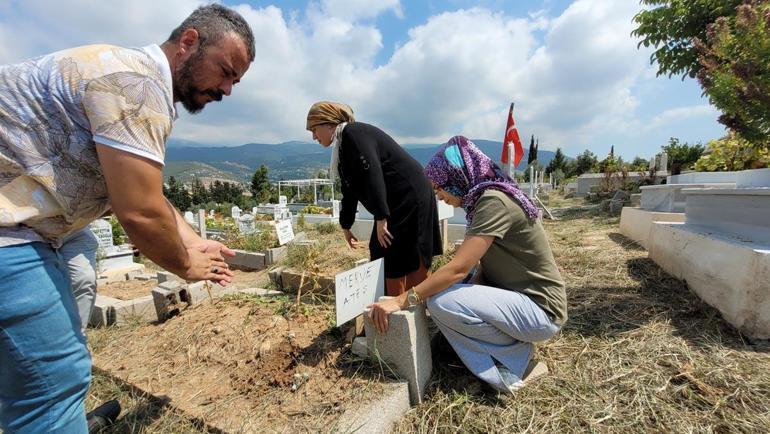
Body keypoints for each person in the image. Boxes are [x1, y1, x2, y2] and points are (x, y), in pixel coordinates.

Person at [0, 4, 255, 432]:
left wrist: (192, 240)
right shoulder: (137, 85)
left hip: (37, 229)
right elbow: (139, 211)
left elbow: (144, 192)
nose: (227, 90)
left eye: (235, 81)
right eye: (225, 71)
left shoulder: (134, 78)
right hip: (13, 235)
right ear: (189, 42)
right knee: (53, 386)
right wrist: (186, 264)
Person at [367, 136, 567, 393]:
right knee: (447, 292)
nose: (439, 196)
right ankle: (500, 347)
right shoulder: (484, 200)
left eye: (440, 187)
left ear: (457, 176)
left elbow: (458, 268)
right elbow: (478, 268)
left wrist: (400, 300)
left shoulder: (492, 202)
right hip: (523, 301)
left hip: (541, 311)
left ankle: (514, 354)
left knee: (441, 302)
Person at [306, 101, 443, 296]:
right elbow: (349, 188)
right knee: (384, 250)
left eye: (314, 129)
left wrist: (381, 216)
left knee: (397, 251)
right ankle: (398, 309)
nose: (313, 137)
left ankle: (410, 308)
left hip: (409, 196)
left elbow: (371, 170)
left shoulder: (353, 133)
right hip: (397, 200)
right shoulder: (344, 146)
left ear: (328, 123)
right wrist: (346, 225)